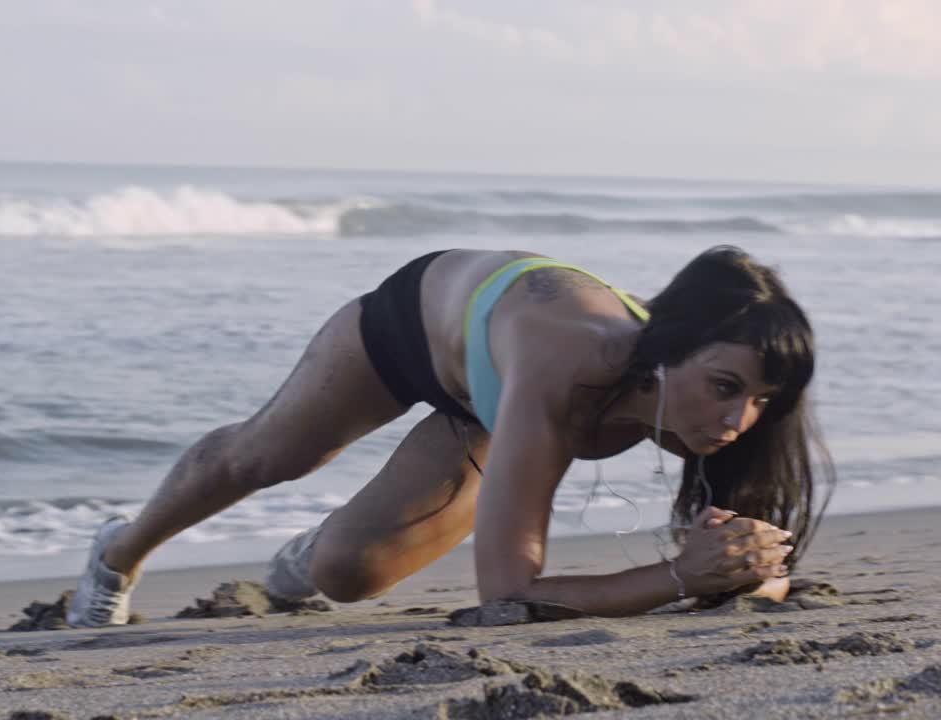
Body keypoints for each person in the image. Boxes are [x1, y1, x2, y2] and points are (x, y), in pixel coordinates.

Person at [66, 246, 833, 626]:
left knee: (347, 574)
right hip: (418, 325)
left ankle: (314, 547)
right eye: (726, 388)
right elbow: (506, 595)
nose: (739, 421)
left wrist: (747, 569)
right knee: (268, 455)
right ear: (666, 355)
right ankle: (117, 554)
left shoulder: (710, 410)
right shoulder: (566, 376)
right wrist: (675, 580)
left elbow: (756, 567)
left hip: (492, 403)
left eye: (764, 399)